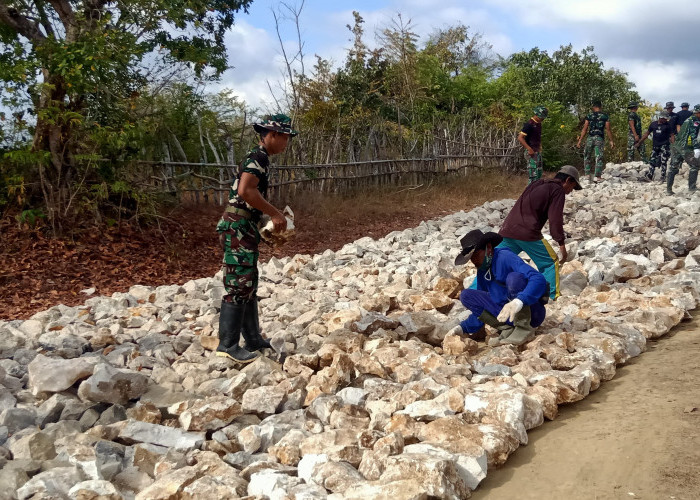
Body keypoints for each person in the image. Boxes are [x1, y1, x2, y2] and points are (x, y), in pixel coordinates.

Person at [215, 113, 298, 363]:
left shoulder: (261, 158)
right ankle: (227, 345)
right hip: (238, 227)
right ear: (272, 135)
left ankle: (252, 339)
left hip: (244, 226)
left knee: (248, 283)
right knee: (239, 284)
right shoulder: (257, 157)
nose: (286, 144)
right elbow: (245, 191)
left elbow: (244, 197)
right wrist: (274, 214)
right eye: (285, 138)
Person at [498, 165, 582, 302]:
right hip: (528, 234)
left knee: (494, 261)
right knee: (550, 262)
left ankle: (475, 289)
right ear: (568, 180)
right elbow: (555, 219)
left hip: (507, 230)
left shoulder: (538, 183)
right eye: (572, 187)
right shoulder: (557, 190)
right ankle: (551, 296)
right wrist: (561, 243)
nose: (570, 191)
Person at [454, 230, 548, 346]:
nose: (475, 261)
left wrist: (519, 301)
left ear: (488, 248)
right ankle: (507, 328)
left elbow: (538, 278)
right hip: (507, 317)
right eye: (472, 259)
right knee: (466, 296)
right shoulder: (483, 271)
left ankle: (524, 329)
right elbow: (484, 306)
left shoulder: (505, 257)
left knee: (514, 278)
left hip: (532, 314)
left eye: (476, 256)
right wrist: (463, 328)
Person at [577, 100, 614, 182]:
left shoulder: (589, 116)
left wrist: (580, 141)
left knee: (587, 156)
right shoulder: (605, 116)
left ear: (594, 107)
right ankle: (598, 177)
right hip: (599, 138)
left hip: (590, 138)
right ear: (601, 107)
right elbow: (608, 130)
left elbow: (585, 129)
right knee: (598, 157)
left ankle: (587, 175)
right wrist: (611, 141)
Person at [668, 104, 700, 194]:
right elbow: (693, 135)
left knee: (673, 168)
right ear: (698, 112)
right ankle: (692, 187)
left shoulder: (688, 120)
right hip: (685, 147)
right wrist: (697, 148)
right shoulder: (695, 121)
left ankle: (668, 190)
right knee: (695, 166)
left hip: (676, 146)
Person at [636, 110, 675, 182]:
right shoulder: (653, 124)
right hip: (655, 146)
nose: (666, 120)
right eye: (665, 118)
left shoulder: (668, 125)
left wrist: (674, 145)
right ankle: (650, 176)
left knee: (663, 161)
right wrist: (639, 142)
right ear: (661, 117)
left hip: (664, 146)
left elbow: (672, 135)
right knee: (652, 161)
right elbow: (646, 134)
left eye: (666, 118)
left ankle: (663, 177)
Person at [518, 106, 548, 184]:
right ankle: (529, 193)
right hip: (531, 152)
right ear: (537, 115)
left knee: (539, 173)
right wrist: (529, 149)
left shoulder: (539, 124)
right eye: (541, 117)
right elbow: (520, 138)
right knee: (533, 175)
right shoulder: (529, 124)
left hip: (537, 151)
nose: (543, 119)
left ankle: (536, 192)